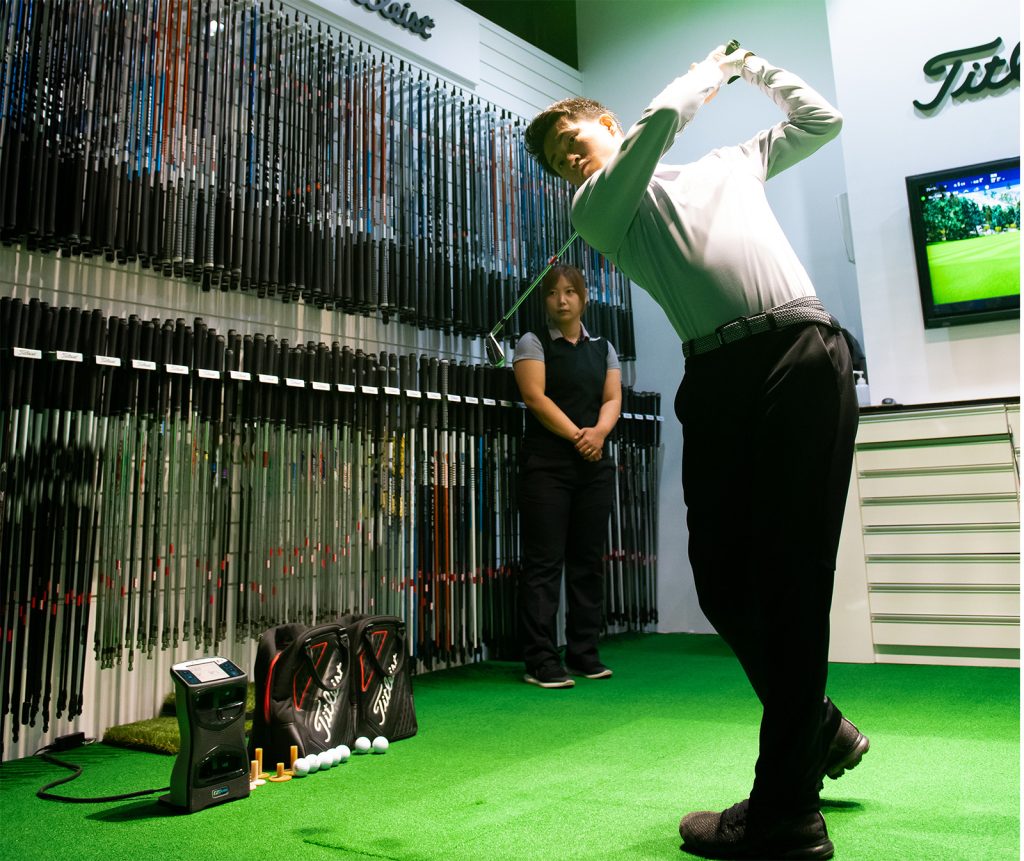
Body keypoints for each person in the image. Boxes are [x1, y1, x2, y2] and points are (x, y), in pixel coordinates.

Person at [524, 44, 868, 859]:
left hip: (801, 352)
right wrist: (708, 74)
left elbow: (822, 120)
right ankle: (816, 724)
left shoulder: (728, 164)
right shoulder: (598, 206)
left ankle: (786, 810)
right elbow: (660, 126)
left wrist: (755, 69)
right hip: (714, 377)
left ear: (605, 123)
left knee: (791, 579)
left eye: (573, 139)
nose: (570, 159)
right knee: (720, 578)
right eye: (558, 159)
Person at [513, 264, 622, 689]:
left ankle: (583, 653)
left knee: (587, 563)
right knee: (544, 564)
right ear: (545, 301)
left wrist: (598, 434)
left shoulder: (604, 348)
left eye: (570, 291)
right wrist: (581, 436)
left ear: (583, 298)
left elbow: (611, 399)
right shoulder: (532, 342)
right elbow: (535, 398)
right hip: (547, 468)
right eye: (553, 293)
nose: (562, 300)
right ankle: (540, 660)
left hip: (594, 468)